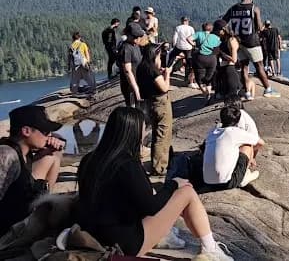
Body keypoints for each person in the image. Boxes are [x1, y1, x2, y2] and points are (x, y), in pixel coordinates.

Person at [76, 107, 233, 259]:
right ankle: (211, 249)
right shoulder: (127, 164)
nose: (144, 134)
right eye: (143, 130)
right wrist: (173, 184)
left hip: (92, 235)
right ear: (133, 133)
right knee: (187, 192)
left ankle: (166, 233)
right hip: (122, 244)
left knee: (152, 193)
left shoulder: (88, 159)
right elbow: (150, 207)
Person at [0, 105, 65, 235]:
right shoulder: (7, 154)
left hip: (22, 213)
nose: (49, 136)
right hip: (9, 231)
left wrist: (54, 145)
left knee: (54, 153)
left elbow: (59, 141)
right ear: (26, 131)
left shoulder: (25, 150)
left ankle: (43, 200)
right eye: (45, 132)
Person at [222, 0, 279, 98]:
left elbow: (223, 22)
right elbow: (258, 27)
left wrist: (230, 34)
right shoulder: (254, 8)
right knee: (259, 66)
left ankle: (247, 92)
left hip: (238, 42)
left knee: (244, 66)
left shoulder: (233, 8)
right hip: (252, 42)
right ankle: (268, 89)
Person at [137, 44, 177, 176]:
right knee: (163, 134)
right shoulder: (152, 70)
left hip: (149, 103)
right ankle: (159, 167)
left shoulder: (141, 67)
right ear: (155, 55)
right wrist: (167, 75)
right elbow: (164, 87)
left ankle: (156, 162)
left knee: (156, 132)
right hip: (160, 103)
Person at [202, 105, 263, 191]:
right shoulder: (235, 132)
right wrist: (252, 158)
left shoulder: (213, 132)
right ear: (237, 120)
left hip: (207, 181)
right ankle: (244, 176)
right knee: (247, 146)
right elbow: (260, 143)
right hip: (227, 183)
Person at [119, 23, 148, 107]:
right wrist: (135, 88)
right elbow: (127, 71)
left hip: (138, 81)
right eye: (135, 36)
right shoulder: (126, 48)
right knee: (134, 109)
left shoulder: (136, 45)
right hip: (130, 86)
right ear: (128, 35)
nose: (137, 38)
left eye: (139, 36)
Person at [191, 22, 220, 102]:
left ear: (203, 27)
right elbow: (218, 47)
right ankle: (209, 93)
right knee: (209, 77)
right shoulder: (215, 37)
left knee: (199, 77)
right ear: (211, 29)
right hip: (212, 58)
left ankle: (205, 93)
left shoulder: (198, 34)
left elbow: (188, 38)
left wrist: (194, 46)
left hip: (200, 58)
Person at [215, 20, 241, 101]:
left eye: (218, 31)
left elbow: (234, 59)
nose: (217, 33)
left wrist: (222, 54)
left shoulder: (231, 40)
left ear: (223, 29)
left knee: (231, 93)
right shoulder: (223, 39)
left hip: (231, 68)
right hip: (223, 67)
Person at [172, 16, 197, 88]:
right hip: (188, 47)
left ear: (181, 21)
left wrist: (174, 46)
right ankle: (187, 79)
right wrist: (193, 45)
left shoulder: (178, 27)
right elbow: (193, 37)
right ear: (188, 21)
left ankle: (169, 71)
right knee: (189, 63)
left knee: (172, 58)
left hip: (179, 46)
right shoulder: (191, 28)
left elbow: (175, 38)